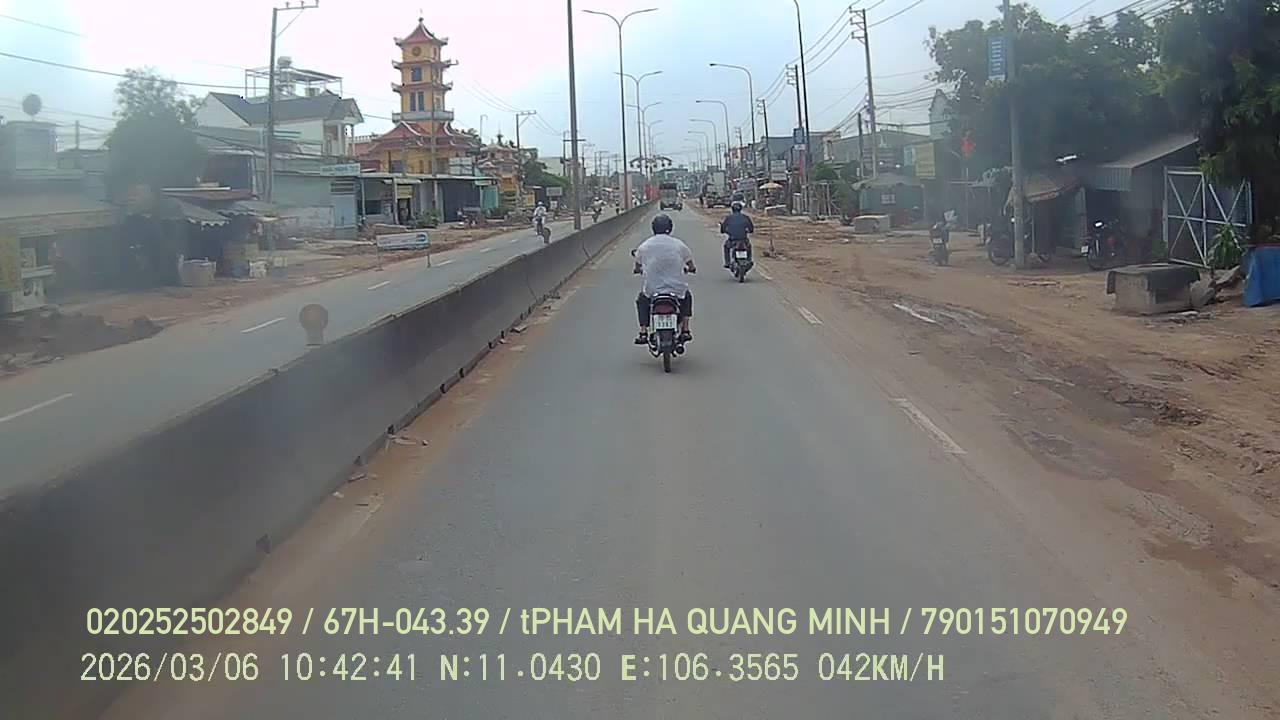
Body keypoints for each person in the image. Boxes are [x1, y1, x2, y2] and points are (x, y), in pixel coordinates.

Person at [632, 213, 695, 345]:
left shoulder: (645, 246)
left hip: (652, 290)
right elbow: (689, 262)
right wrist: (691, 268)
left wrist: (638, 269)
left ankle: (643, 332)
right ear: (670, 227)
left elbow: (637, 263)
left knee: (642, 300)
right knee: (687, 297)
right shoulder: (678, 244)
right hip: (676, 289)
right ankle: (685, 329)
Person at [720, 200, 755, 268]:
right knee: (749, 247)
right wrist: (748, 231)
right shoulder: (746, 217)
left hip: (733, 240)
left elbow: (723, 229)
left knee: (726, 247)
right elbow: (751, 229)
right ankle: (749, 260)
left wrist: (725, 231)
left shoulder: (728, 218)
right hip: (743, 240)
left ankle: (727, 262)